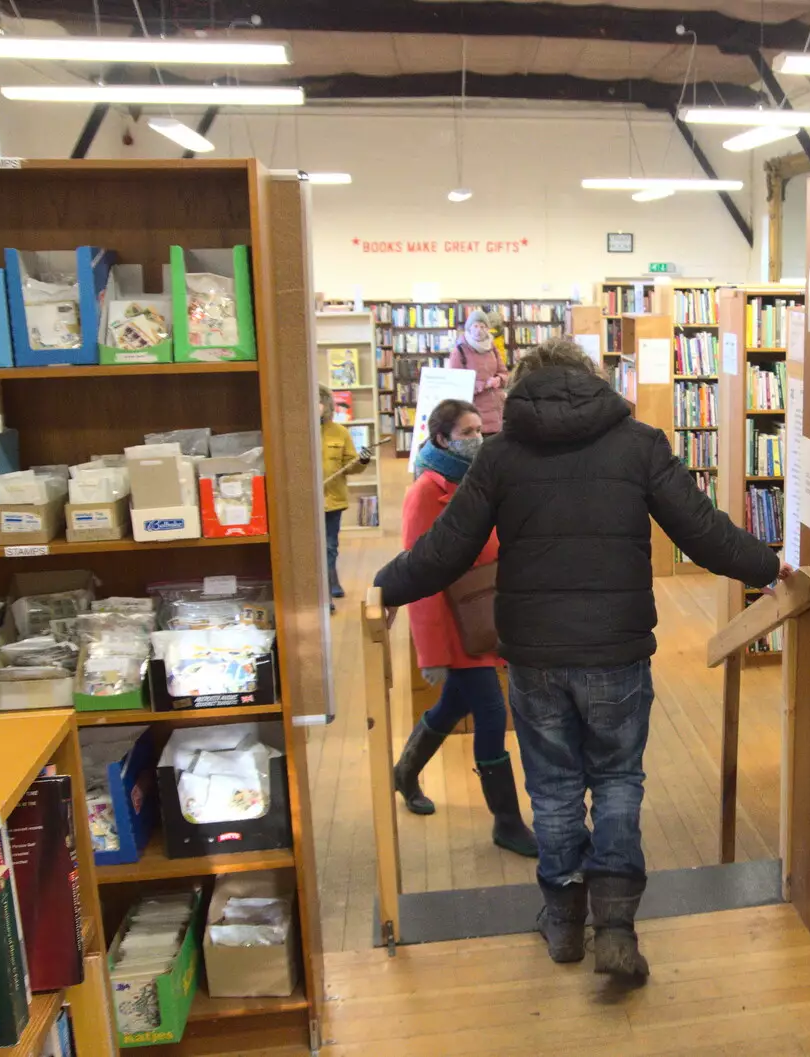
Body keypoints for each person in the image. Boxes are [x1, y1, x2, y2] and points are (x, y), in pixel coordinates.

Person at [374, 338, 784, 983]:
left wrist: (385, 588)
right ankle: (616, 927)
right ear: (591, 380)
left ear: (523, 391)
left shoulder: (500, 455)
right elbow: (702, 531)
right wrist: (770, 567)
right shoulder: (639, 443)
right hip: (616, 650)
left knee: (555, 788)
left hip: (535, 657)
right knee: (619, 780)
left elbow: (445, 549)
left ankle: (564, 924)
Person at [392, 397, 537, 858]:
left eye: (480, 430)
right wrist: (430, 651)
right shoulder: (426, 492)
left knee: (455, 705)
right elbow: (419, 574)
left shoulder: (476, 479)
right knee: (492, 715)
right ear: (441, 439)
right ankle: (507, 822)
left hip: (482, 613)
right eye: (468, 433)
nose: (479, 439)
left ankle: (405, 771)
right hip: (455, 625)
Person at [319, 385, 369, 600]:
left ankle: (330, 585)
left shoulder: (339, 432)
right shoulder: (295, 432)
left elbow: (351, 465)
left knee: (330, 545)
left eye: (320, 401)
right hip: (305, 502)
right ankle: (323, 588)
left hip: (333, 499)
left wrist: (362, 460)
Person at [455, 309, 508, 436]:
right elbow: (456, 383)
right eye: (476, 326)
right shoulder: (460, 350)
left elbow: (504, 372)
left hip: (496, 411)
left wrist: (499, 379)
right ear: (469, 328)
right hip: (473, 412)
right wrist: (484, 385)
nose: (479, 330)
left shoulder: (492, 348)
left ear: (487, 329)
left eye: (483, 326)